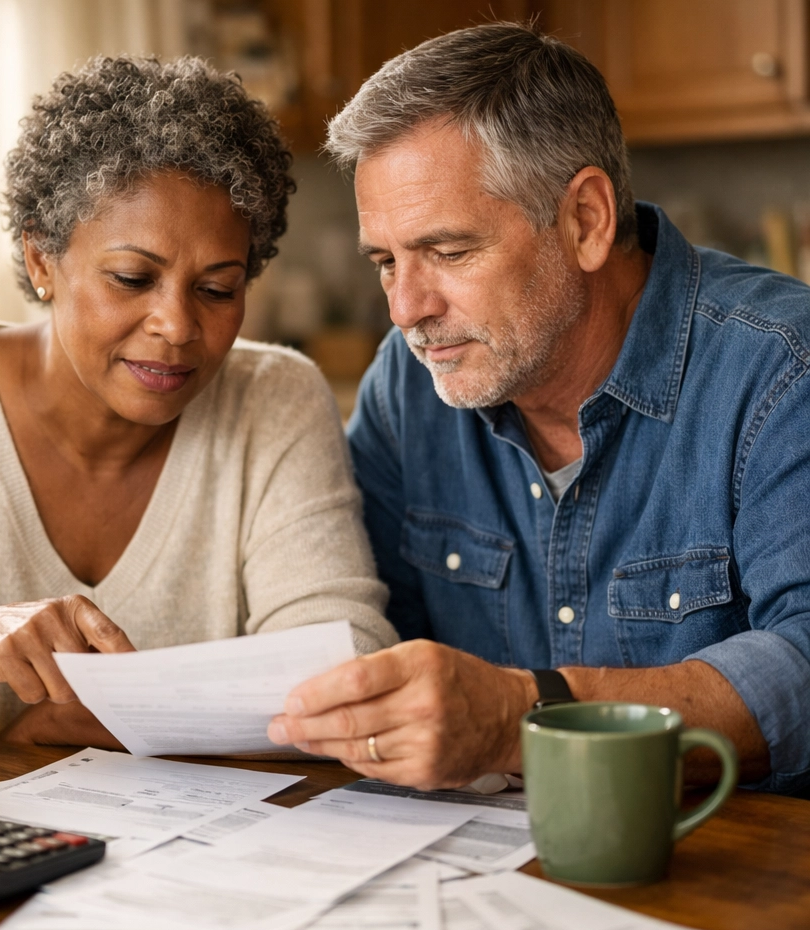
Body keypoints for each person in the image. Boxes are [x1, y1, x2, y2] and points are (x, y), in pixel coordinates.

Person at [0, 55, 396, 753]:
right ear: (42, 260)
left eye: (218, 288)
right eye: (133, 278)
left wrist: (145, 714)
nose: (177, 326)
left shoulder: (274, 400)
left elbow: (346, 665)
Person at [267, 22, 810, 797]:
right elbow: (368, 620)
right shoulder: (408, 383)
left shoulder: (783, 371)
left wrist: (527, 715)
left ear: (586, 220)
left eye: (449, 252)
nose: (405, 309)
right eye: (386, 262)